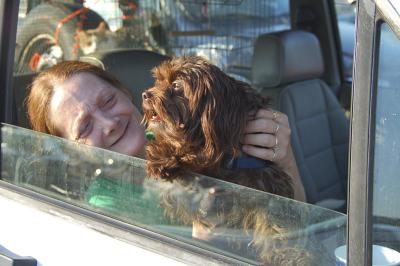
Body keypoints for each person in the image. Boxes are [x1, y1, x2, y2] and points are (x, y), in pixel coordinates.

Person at [26, 60, 306, 202]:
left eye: (108, 100)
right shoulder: (105, 210)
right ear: (71, 152)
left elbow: (296, 223)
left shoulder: (189, 134)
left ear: (126, 93)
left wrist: (283, 159)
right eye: (84, 126)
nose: (108, 124)